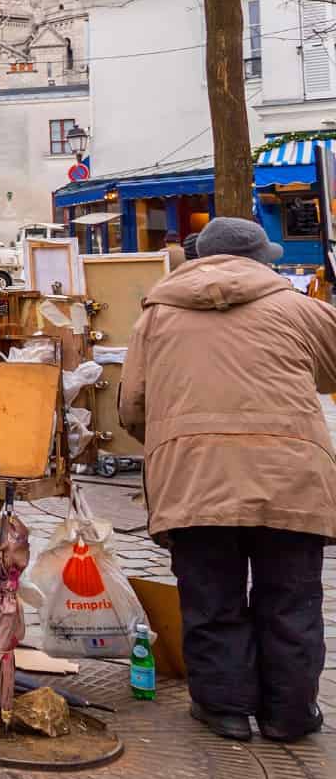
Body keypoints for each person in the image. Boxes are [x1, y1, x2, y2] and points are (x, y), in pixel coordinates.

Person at [120, 216, 336, 744]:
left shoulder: (156, 318)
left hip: (193, 477)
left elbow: (131, 407)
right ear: (264, 260)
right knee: (291, 599)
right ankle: (289, 714)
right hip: (291, 478)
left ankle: (225, 710)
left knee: (211, 597)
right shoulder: (300, 309)